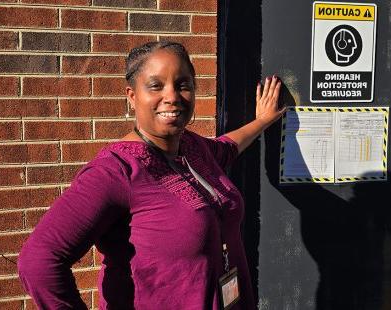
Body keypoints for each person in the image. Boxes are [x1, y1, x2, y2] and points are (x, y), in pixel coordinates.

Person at [18, 41, 284, 309]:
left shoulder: (194, 149)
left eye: (183, 85)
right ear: (132, 96)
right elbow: (39, 261)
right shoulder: (115, 171)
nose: (172, 96)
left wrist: (262, 121)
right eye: (156, 86)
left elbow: (227, 147)